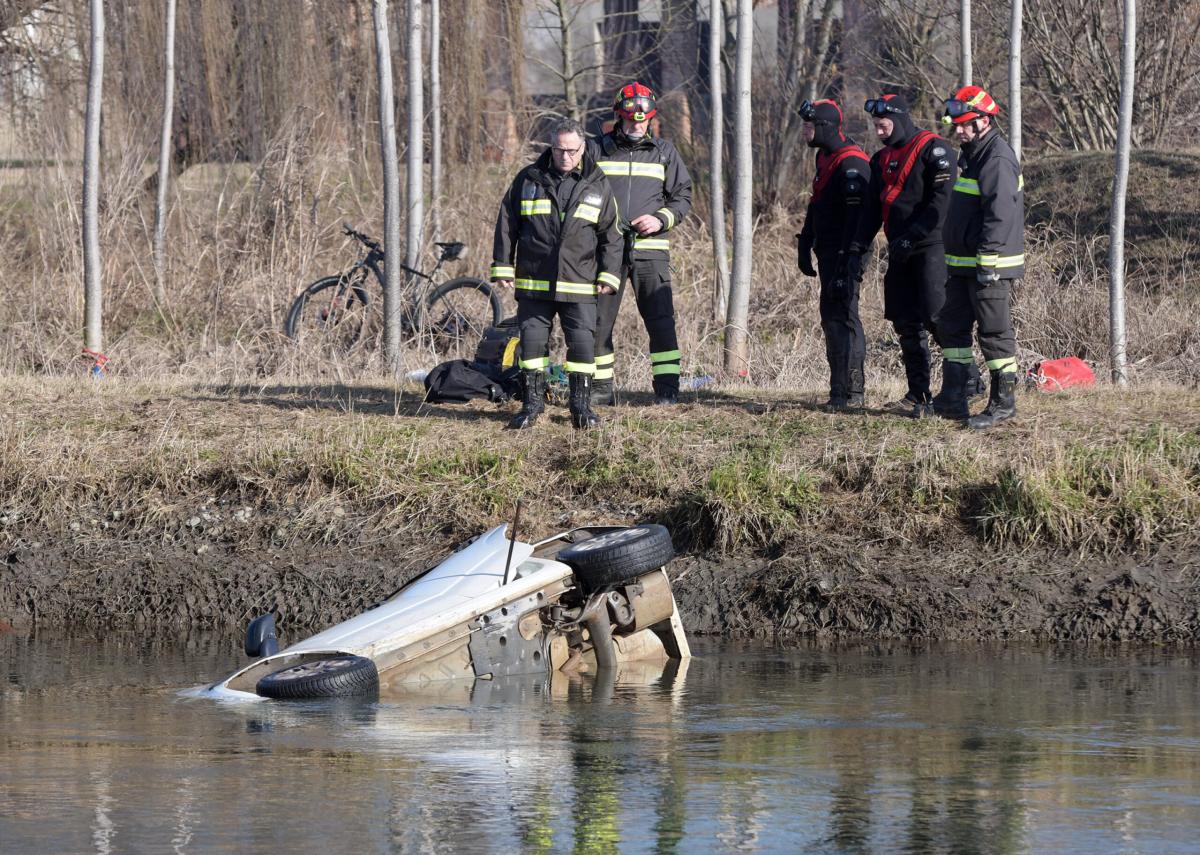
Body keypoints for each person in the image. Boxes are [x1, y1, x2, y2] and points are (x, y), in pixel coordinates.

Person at [846, 93, 980, 418]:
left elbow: (942, 201)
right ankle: (918, 393)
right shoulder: (879, 160)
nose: (878, 130)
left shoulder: (934, 150)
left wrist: (915, 236)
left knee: (937, 317)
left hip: (932, 246)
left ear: (900, 119)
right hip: (899, 249)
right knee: (906, 322)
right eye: (876, 126)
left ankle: (969, 383)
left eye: (884, 124)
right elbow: (870, 212)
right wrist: (856, 251)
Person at [490, 118, 621, 430]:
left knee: (582, 347)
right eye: (560, 149)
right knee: (532, 347)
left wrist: (608, 275)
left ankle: (581, 408)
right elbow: (507, 224)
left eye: (572, 150)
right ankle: (532, 406)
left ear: (583, 148)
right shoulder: (528, 179)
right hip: (535, 282)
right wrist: (503, 265)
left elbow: (612, 236)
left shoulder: (597, 182)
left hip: (580, 283)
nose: (566, 156)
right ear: (552, 147)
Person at [587, 82, 693, 405]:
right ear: (618, 116)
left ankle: (667, 391)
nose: (638, 124)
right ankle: (601, 389)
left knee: (661, 322)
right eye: (631, 119)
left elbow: (683, 198)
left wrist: (660, 219)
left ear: (651, 118)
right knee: (598, 322)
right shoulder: (596, 150)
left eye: (643, 119)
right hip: (606, 254)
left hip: (651, 253)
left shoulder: (665, 152)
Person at [936, 85, 1025, 429]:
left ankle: (1003, 403)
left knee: (994, 333)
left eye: (964, 123)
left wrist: (988, 258)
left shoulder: (997, 159)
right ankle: (953, 397)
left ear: (984, 121)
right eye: (955, 123)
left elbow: (999, 215)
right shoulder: (973, 154)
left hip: (989, 266)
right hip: (963, 265)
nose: (957, 130)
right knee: (952, 327)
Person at [794, 99, 870, 410]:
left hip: (847, 251)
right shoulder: (825, 158)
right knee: (831, 318)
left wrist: (847, 261)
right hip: (827, 250)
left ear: (825, 127)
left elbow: (858, 220)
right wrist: (805, 241)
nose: (804, 132)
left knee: (845, 315)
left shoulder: (851, 164)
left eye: (809, 126)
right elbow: (817, 202)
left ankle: (853, 393)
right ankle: (837, 391)